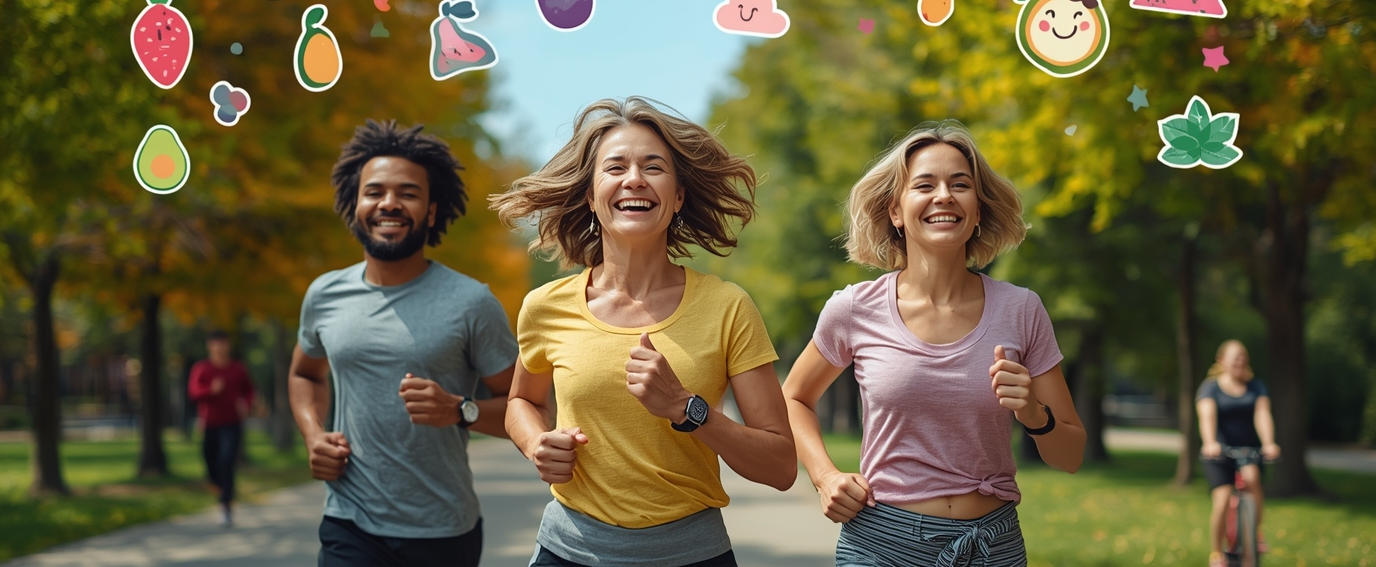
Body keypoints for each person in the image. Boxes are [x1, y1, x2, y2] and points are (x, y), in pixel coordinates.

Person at [490, 97, 796, 567]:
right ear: (592, 197)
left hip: (692, 554)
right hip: (567, 550)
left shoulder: (727, 307)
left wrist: (686, 409)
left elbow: (779, 466)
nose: (634, 178)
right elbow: (522, 401)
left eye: (653, 167)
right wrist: (536, 443)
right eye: (615, 168)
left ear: (677, 198)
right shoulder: (544, 307)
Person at [782, 120, 1086, 567]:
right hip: (882, 544)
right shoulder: (853, 309)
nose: (944, 195)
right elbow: (792, 397)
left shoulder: (1021, 310)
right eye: (925, 185)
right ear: (895, 212)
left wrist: (1033, 415)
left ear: (977, 210)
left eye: (960, 184)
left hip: (991, 545)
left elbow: (1071, 455)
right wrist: (824, 476)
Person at [288, 119, 519, 567]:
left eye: (408, 193)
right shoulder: (324, 295)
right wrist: (313, 435)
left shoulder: (471, 302)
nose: (389, 204)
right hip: (348, 523)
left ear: (431, 212)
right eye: (374, 192)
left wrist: (459, 410)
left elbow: (525, 406)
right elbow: (303, 372)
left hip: (442, 530)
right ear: (355, 205)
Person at [1197, 339, 1280, 567]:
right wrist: (1209, 441)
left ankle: (1255, 532)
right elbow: (1207, 416)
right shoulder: (1210, 387)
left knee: (1252, 479)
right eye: (1234, 357)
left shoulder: (1255, 386)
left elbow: (1262, 414)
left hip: (1247, 449)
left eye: (1243, 356)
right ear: (1221, 360)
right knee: (1222, 500)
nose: (1239, 361)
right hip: (1218, 451)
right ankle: (1216, 553)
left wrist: (1269, 442)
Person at [187, 329, 255, 527]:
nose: (220, 347)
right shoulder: (202, 368)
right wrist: (211, 390)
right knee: (209, 461)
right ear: (210, 346)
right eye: (216, 343)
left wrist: (246, 404)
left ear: (228, 345)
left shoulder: (237, 368)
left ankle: (225, 506)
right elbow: (193, 393)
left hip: (232, 423)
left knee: (226, 461)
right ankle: (219, 487)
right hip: (209, 424)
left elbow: (249, 390)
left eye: (223, 342)